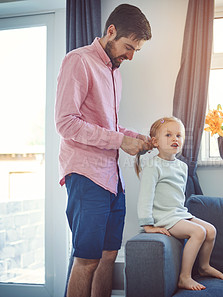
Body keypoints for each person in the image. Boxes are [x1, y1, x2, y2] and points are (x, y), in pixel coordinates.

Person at [54, 4, 152, 297]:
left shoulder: (114, 71)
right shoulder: (78, 61)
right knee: (87, 259)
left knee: (109, 256)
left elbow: (108, 126)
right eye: (128, 47)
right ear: (111, 31)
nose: (131, 56)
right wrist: (121, 142)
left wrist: (136, 138)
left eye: (136, 50)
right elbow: (66, 123)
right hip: (86, 176)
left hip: (112, 178)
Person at [135, 117, 223, 291]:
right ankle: (184, 277)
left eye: (179, 135)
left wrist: (184, 216)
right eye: (168, 135)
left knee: (211, 230)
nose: (174, 139)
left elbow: (177, 196)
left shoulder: (182, 167)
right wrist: (148, 225)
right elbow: (145, 198)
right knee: (198, 232)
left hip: (178, 213)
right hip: (163, 216)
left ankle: (204, 266)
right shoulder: (153, 167)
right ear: (155, 142)